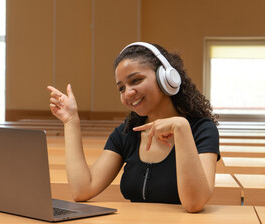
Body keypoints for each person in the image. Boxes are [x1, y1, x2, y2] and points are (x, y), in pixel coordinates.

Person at [47, 42, 220, 213]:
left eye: (136, 80)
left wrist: (181, 128)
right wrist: (71, 121)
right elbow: (82, 190)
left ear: (166, 78)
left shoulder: (202, 130)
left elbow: (194, 203)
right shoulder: (126, 134)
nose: (128, 93)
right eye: (121, 88)